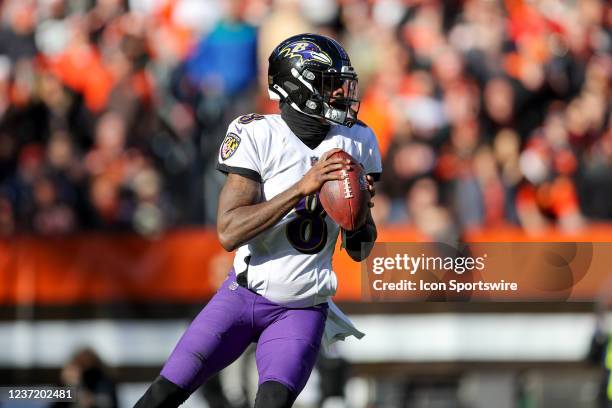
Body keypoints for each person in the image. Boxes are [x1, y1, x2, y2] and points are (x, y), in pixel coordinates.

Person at [135, 33, 382, 408]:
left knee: (272, 401)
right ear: (300, 87)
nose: (340, 94)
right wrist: (302, 188)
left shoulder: (358, 140)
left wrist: (358, 213)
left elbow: (360, 250)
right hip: (243, 296)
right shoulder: (257, 133)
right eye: (330, 84)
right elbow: (228, 231)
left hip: (303, 306)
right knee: (164, 394)